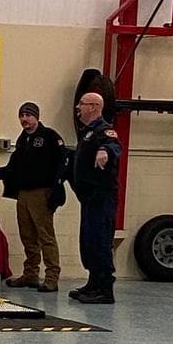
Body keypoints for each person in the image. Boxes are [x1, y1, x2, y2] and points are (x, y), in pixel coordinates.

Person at [0, 102, 66, 292]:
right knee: (27, 236)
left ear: (36, 116)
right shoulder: (22, 140)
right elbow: (14, 166)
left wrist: (57, 187)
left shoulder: (49, 137)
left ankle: (52, 277)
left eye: (28, 115)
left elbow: (62, 162)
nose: (24, 119)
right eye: (21, 115)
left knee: (45, 236)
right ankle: (31, 274)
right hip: (23, 193)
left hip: (41, 192)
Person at [69, 92, 122, 304]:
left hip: (102, 196)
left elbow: (114, 145)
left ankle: (105, 289)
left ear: (94, 107)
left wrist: (104, 151)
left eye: (81, 104)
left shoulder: (104, 130)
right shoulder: (87, 131)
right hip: (89, 197)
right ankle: (93, 283)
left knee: (100, 240)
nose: (78, 108)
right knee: (89, 240)